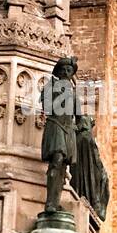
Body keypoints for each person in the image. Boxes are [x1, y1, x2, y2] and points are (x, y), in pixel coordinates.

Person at [40, 56, 79, 214]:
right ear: (58, 71)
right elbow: (47, 107)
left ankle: (56, 202)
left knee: (64, 167)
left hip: (68, 130)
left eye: (69, 70)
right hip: (56, 126)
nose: (65, 72)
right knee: (56, 160)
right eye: (62, 69)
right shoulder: (50, 87)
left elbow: (80, 117)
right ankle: (50, 202)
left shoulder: (74, 94)